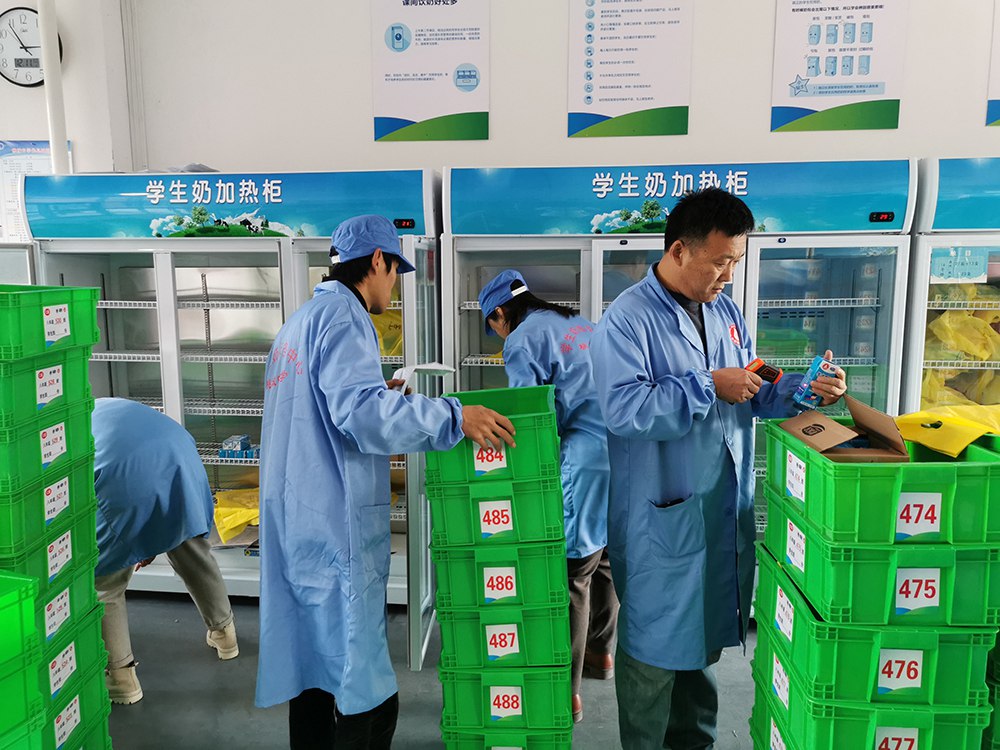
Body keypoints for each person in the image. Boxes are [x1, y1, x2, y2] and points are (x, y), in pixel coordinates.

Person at [588, 188, 847, 749]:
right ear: (679, 250)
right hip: (662, 518)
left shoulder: (725, 312)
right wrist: (707, 385)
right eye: (721, 262)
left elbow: (754, 383)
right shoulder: (626, 320)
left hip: (718, 511)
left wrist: (806, 391)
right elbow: (625, 410)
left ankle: (695, 743)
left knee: (701, 650)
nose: (729, 275)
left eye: (737, 261)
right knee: (653, 657)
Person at [255, 214, 515, 749]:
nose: (394, 286)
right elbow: (360, 415)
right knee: (364, 686)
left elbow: (325, 406)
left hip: (298, 521)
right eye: (395, 271)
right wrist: (454, 416)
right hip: (336, 529)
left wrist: (382, 393)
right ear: (377, 260)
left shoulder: (300, 322)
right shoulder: (346, 317)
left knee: (313, 675)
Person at [478, 270, 618, 724]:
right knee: (605, 560)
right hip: (623, 450)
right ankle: (602, 654)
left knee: (573, 572)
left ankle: (564, 691)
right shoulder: (579, 324)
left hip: (586, 460)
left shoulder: (521, 340)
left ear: (501, 313)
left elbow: (532, 418)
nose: (499, 334)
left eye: (494, 325)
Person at [92, 397, 239, 706]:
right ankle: (225, 634)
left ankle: (120, 677)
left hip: (121, 470)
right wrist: (146, 543)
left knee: (106, 582)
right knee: (189, 545)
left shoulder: (47, 439)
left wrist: (129, 549)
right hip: (179, 453)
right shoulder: (100, 406)